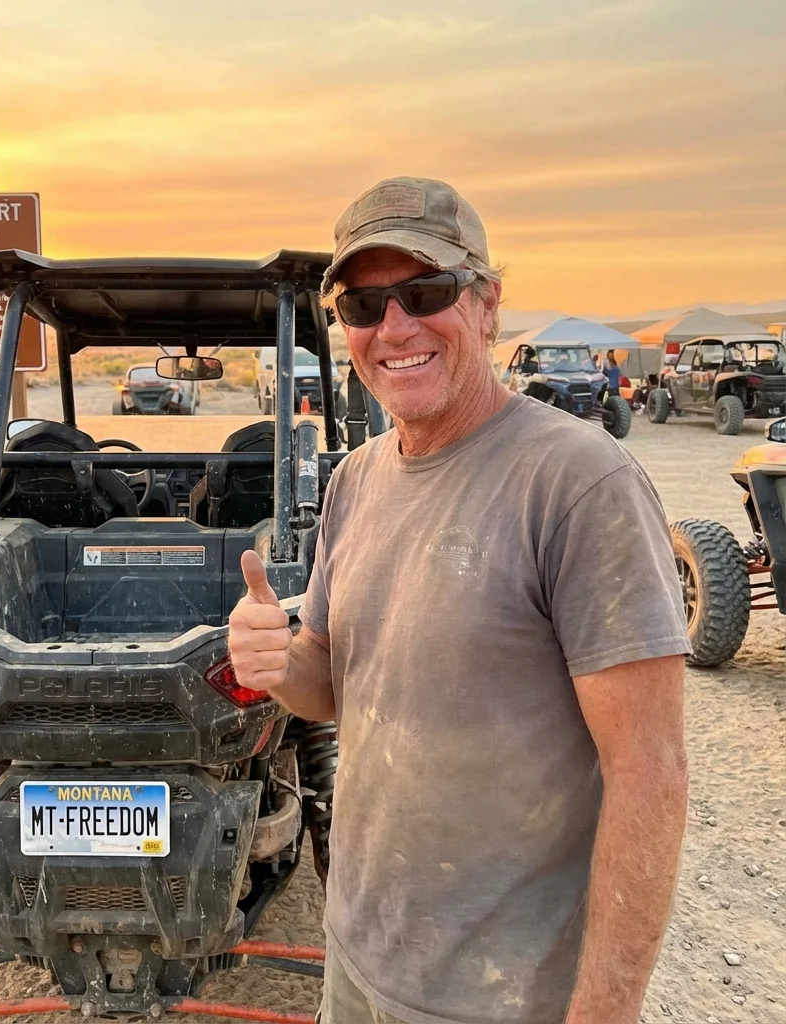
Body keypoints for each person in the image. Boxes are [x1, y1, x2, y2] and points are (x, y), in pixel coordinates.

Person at [228, 176, 690, 1024]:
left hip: (501, 996)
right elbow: (330, 686)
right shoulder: (356, 480)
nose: (394, 326)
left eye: (425, 291)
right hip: (361, 963)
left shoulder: (579, 483)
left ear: (487, 304)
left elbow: (650, 773)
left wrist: (605, 1011)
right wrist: (277, 662)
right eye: (363, 304)